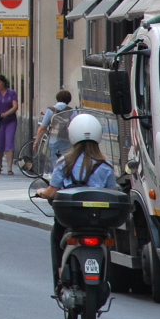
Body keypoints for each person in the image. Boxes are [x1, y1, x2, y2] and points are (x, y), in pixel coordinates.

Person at [37, 113, 118, 293]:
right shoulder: (105, 166)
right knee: (109, 239)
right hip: (98, 220)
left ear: (72, 135)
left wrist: (41, 192)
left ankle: (59, 276)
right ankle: (105, 275)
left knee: (57, 235)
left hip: (71, 219)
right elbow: (113, 193)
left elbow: (52, 191)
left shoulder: (64, 162)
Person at [0, 75, 20, 174]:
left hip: (10, 120)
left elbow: (15, 106)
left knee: (9, 142)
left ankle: (9, 168)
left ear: (4, 82)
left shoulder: (11, 93)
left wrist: (7, 113)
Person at [36, 89, 75, 172]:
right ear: (69, 100)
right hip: (68, 142)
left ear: (57, 98)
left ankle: (56, 182)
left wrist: (36, 142)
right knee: (68, 163)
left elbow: (42, 128)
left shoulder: (51, 110)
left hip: (54, 141)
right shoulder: (72, 111)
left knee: (56, 164)